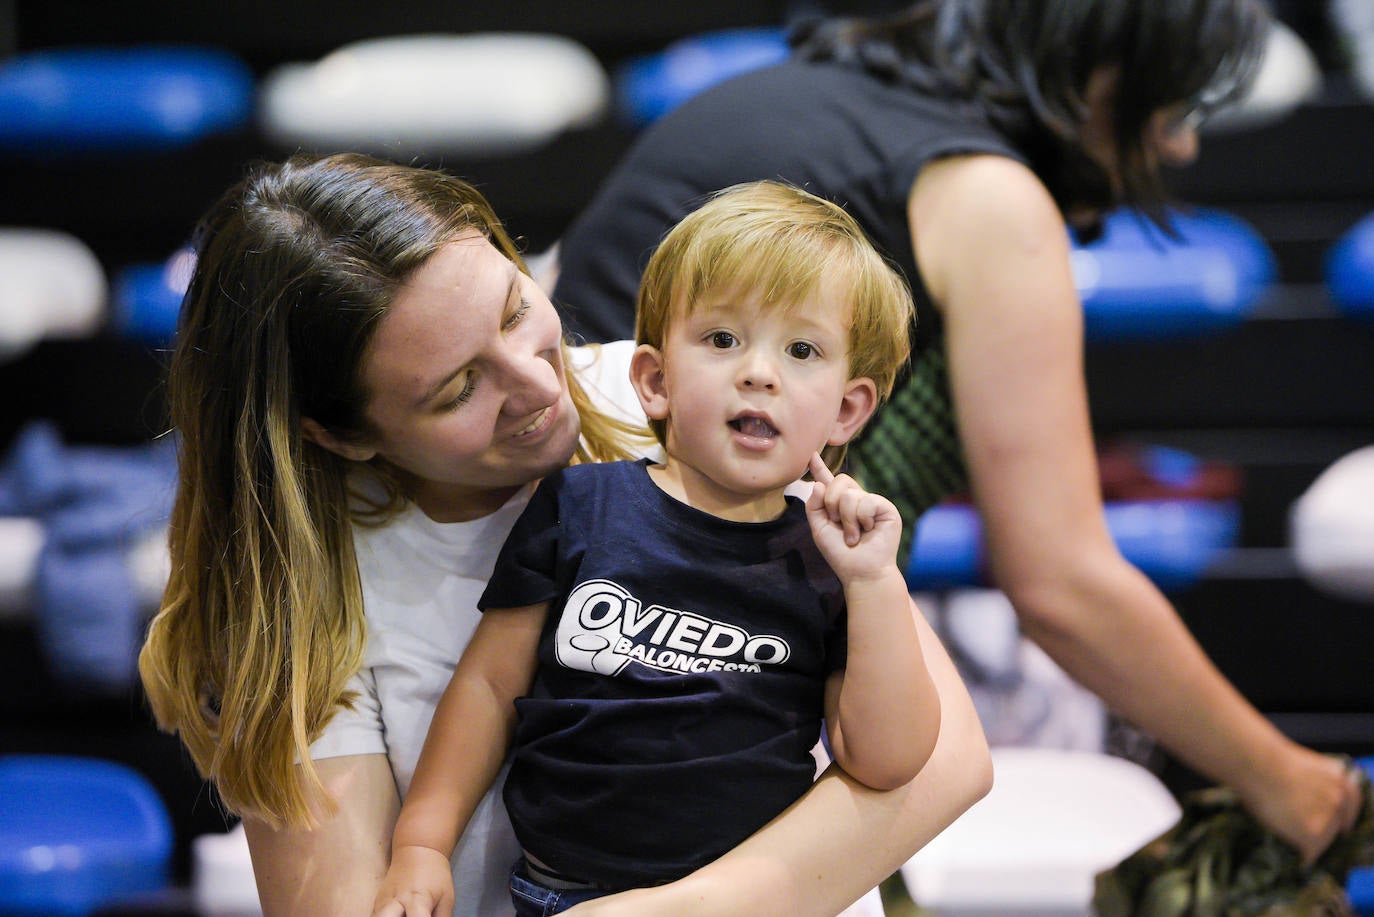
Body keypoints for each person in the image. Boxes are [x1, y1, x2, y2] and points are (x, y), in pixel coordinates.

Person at [550, 0, 1364, 865]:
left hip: (557, 571)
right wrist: (1294, 784)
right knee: (942, 762)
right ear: (1105, 80)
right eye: (1174, 110)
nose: (1180, 147)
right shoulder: (988, 192)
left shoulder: (787, 90)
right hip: (662, 618)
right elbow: (1062, 582)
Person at [137, 152, 992, 917]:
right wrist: (423, 849)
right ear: (340, 433)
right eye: (457, 388)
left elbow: (940, 758)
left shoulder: (680, 400)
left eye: (514, 307)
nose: (538, 382)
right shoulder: (295, 610)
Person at [371, 181, 940, 916]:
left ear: (847, 408)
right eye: (723, 339)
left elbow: (887, 758)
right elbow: (487, 689)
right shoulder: (578, 504)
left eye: (801, 349)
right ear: (656, 380)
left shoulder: (832, 558)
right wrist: (421, 842)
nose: (759, 371)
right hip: (564, 895)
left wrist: (874, 584)